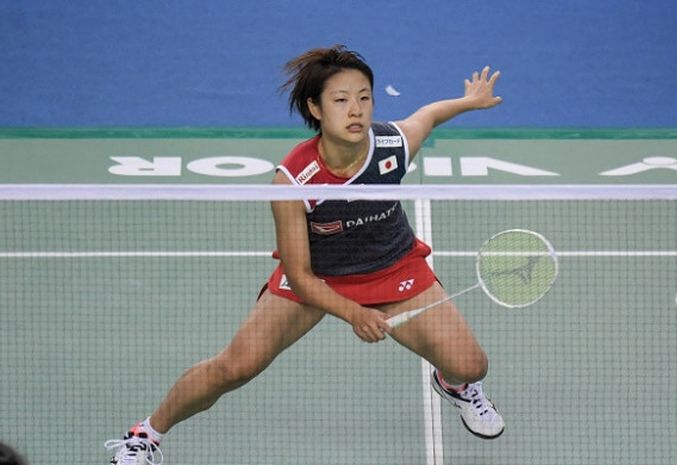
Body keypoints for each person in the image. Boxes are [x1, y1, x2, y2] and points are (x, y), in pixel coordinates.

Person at [105, 44, 504, 465]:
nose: (356, 110)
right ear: (315, 108)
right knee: (233, 368)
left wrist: (467, 102)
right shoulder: (294, 179)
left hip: (393, 266)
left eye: (364, 98)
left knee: (472, 364)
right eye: (341, 100)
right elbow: (298, 275)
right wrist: (354, 313)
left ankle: (455, 385)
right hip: (317, 276)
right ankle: (145, 435)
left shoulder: (392, 144)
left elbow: (428, 116)